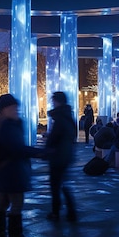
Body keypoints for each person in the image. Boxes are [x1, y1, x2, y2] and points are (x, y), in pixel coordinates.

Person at [0, 94, 44, 237]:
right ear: (4, 109)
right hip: (10, 172)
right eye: (13, 107)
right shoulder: (6, 125)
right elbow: (16, 148)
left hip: (6, 172)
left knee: (3, 202)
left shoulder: (6, 123)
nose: (16, 110)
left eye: (16, 107)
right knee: (17, 203)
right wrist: (38, 153)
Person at [45, 91, 78, 222]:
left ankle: (56, 212)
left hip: (58, 156)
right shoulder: (68, 117)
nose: (52, 103)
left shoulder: (60, 118)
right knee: (63, 184)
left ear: (58, 101)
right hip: (66, 155)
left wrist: (48, 144)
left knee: (55, 185)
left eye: (53, 101)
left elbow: (55, 138)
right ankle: (70, 211)